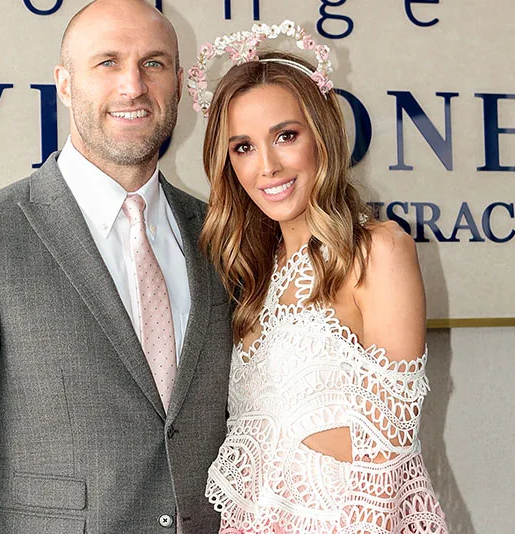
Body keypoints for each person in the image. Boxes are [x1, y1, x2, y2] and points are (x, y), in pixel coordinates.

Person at [0, 1, 232, 533]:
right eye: (107, 62)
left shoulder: (220, 234)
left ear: (177, 81)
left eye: (154, 63)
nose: (133, 86)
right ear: (64, 82)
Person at [189, 21, 449, 533]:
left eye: (285, 136)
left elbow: (387, 454)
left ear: (321, 136)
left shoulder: (377, 250)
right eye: (242, 147)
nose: (267, 166)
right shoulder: (254, 279)